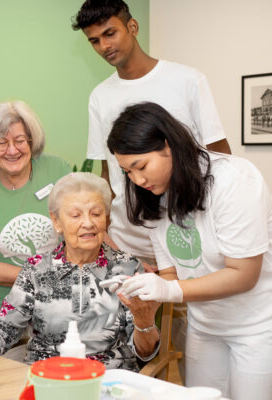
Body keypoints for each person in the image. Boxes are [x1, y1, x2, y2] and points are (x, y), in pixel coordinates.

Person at [107, 102, 272, 399]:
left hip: (259, 326)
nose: (137, 180)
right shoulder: (155, 194)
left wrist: (169, 290)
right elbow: (171, 272)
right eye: (128, 172)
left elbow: (244, 275)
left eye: (142, 166)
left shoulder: (234, 180)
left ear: (168, 145)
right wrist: (146, 290)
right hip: (205, 324)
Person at [72, 0, 231, 267]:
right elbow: (107, 171)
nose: (104, 46)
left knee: (192, 295)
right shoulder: (100, 96)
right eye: (94, 41)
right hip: (129, 239)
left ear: (132, 27)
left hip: (187, 231)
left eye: (110, 33)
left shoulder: (187, 80)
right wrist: (103, 227)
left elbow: (220, 156)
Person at [0, 172, 160, 368]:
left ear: (106, 219)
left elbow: (145, 352)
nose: (88, 223)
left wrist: (144, 320)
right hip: (46, 377)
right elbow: (3, 330)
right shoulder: (37, 269)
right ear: (56, 222)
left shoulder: (128, 268)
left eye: (96, 213)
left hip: (107, 378)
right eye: (76, 215)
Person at [0, 101, 71, 323]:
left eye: (19, 141)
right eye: (2, 143)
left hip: (57, 305)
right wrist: (44, 277)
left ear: (31, 140)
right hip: (0, 310)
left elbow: (85, 224)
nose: (12, 150)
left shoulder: (57, 170)